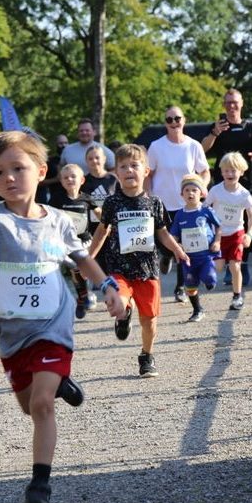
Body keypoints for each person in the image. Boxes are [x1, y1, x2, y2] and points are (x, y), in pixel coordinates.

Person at [0, 130, 123, 503]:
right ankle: (59, 382)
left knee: (42, 404)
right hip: (11, 333)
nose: (9, 178)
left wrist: (107, 287)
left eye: (18, 168)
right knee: (29, 406)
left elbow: (81, 259)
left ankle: (39, 485)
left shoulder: (58, 221)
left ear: (41, 171)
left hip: (53, 324)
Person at [89, 143, 189, 378]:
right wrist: (89, 258)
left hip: (147, 269)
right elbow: (102, 231)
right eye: (123, 166)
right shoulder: (112, 203)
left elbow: (162, 233)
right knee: (118, 303)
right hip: (119, 268)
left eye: (134, 165)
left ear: (146, 171)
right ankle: (124, 316)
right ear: (117, 173)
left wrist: (178, 250)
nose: (129, 170)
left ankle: (146, 356)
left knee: (149, 320)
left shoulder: (154, 203)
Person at [201, 88, 252, 285]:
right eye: (228, 102)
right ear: (224, 105)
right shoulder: (218, 127)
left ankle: (241, 264)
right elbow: (202, 148)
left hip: (246, 185)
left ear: (241, 104)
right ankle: (225, 262)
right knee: (221, 223)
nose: (232, 106)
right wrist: (214, 132)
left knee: (244, 225)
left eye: (235, 102)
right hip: (221, 185)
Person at [146, 105, 210, 303]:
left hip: (186, 204)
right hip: (162, 203)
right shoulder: (156, 146)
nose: (174, 123)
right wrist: (147, 196)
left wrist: (202, 186)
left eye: (177, 118)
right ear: (165, 123)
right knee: (166, 244)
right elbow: (148, 174)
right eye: (169, 120)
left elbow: (204, 171)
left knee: (185, 246)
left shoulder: (193, 146)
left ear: (184, 120)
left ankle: (180, 287)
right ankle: (166, 256)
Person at [204, 152, 252, 311]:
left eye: (233, 170)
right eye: (226, 170)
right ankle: (213, 265)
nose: (229, 174)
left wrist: (249, 234)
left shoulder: (244, 194)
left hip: (236, 233)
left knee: (235, 267)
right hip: (218, 235)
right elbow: (204, 208)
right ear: (221, 172)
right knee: (219, 267)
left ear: (241, 172)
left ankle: (237, 296)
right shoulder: (216, 190)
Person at [50, 163, 101, 319]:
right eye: (65, 177)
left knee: (81, 268)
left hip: (83, 241)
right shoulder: (57, 199)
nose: (69, 179)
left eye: (73, 176)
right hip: (65, 241)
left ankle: (84, 296)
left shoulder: (86, 198)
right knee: (73, 268)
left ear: (82, 180)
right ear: (61, 181)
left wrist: (107, 224)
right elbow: (49, 216)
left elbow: (99, 213)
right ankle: (82, 297)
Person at [170, 175, 221, 322]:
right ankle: (197, 310)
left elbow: (219, 226)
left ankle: (207, 280)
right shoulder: (180, 214)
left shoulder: (206, 210)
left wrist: (217, 241)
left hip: (205, 255)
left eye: (194, 190)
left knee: (210, 279)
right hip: (188, 258)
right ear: (182, 194)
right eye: (187, 190)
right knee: (190, 287)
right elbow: (174, 235)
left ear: (202, 193)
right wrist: (177, 247)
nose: (190, 193)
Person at [82, 144, 118, 273]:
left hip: (111, 227)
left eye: (97, 157)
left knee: (111, 262)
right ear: (86, 161)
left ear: (104, 159)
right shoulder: (83, 181)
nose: (94, 161)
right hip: (91, 228)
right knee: (96, 261)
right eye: (90, 158)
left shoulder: (113, 179)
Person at [35, 133, 68, 204]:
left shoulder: (72, 159)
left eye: (66, 143)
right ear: (55, 145)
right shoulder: (50, 161)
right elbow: (39, 182)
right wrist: (56, 179)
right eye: (60, 143)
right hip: (55, 198)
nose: (64, 145)